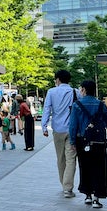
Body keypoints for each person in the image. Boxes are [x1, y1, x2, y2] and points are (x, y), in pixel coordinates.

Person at [69, 80, 107, 209]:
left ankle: (88, 195)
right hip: (99, 141)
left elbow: (73, 125)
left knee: (85, 168)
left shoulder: (77, 105)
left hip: (82, 141)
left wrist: (72, 141)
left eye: (81, 89)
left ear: (84, 89)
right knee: (100, 169)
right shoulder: (101, 105)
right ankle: (97, 198)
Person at [41, 69, 78, 198]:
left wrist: (44, 126)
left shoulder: (51, 92)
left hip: (57, 129)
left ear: (57, 79)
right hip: (72, 130)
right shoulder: (75, 92)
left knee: (60, 158)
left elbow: (47, 109)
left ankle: (64, 185)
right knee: (71, 159)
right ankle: (68, 188)